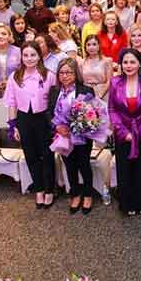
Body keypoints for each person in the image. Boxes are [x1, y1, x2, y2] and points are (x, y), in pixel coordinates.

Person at [4, 42, 57, 208]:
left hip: (44, 119)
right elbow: (11, 102)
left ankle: (49, 190)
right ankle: (39, 189)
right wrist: (13, 125)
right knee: (31, 155)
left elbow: (55, 101)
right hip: (24, 119)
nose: (29, 58)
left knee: (47, 155)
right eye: (25, 55)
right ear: (21, 57)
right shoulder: (15, 77)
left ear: (39, 56)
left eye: (33, 55)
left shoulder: (49, 75)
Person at [108, 49, 141, 216]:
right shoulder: (115, 82)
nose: (128, 66)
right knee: (125, 169)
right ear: (121, 65)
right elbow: (112, 109)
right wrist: (124, 132)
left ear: (139, 64)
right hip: (123, 135)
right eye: (125, 62)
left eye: (132, 62)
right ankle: (128, 204)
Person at [48, 58, 96, 214]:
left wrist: (77, 126)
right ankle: (75, 194)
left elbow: (92, 114)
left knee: (84, 165)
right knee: (69, 166)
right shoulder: (54, 91)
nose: (65, 76)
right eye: (61, 72)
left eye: (68, 72)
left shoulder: (86, 90)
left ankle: (87, 195)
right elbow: (49, 113)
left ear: (76, 73)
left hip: (81, 136)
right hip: (62, 136)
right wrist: (57, 127)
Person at [78, 34, 113, 100]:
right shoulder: (81, 62)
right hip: (86, 93)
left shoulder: (107, 61)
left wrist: (100, 94)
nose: (91, 47)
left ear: (99, 46)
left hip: (103, 93)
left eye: (94, 44)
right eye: (88, 45)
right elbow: (80, 81)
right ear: (85, 47)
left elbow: (110, 81)